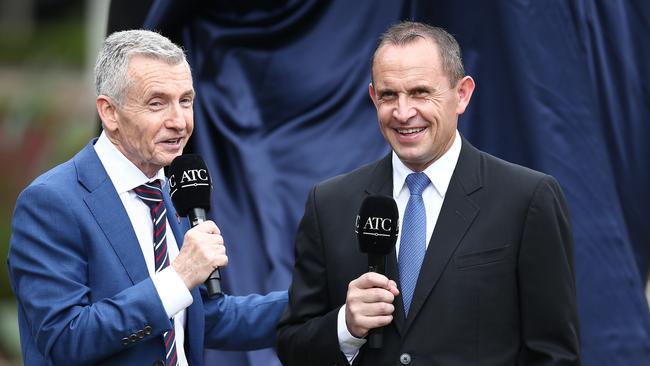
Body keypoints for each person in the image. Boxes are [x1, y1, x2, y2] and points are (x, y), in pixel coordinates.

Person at [277, 21, 580, 365]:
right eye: (389, 95)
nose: (404, 113)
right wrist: (346, 328)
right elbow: (292, 345)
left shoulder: (527, 199)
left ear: (462, 94)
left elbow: (554, 355)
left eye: (421, 92)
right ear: (373, 97)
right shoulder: (329, 204)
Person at [7, 30, 287, 366]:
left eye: (185, 101)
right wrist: (178, 277)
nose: (179, 121)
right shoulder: (50, 202)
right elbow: (66, 339)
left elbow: (201, 318)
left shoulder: (170, 192)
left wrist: (322, 302)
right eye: (157, 103)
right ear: (109, 113)